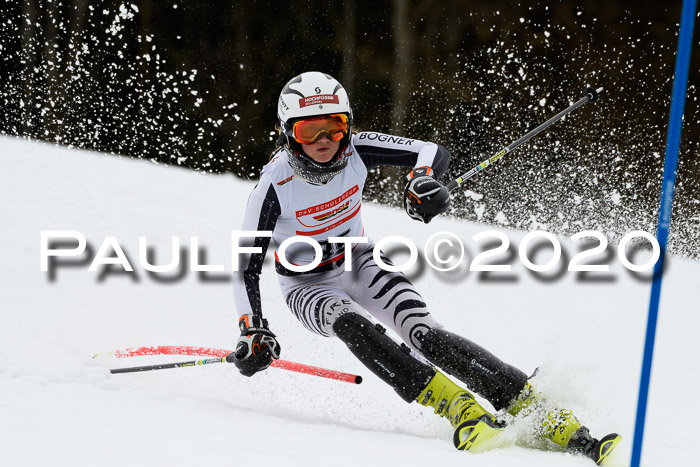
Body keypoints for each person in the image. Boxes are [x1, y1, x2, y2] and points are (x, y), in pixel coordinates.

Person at [229, 71, 619, 463]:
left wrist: (421, 180)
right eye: (309, 131)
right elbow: (245, 266)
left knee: (426, 335)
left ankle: (538, 409)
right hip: (306, 285)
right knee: (351, 325)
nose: (324, 142)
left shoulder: (357, 150)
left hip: (361, 260)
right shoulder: (273, 184)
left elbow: (431, 152)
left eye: (334, 127)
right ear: (287, 132)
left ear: (347, 124)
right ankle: (459, 409)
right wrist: (253, 329)